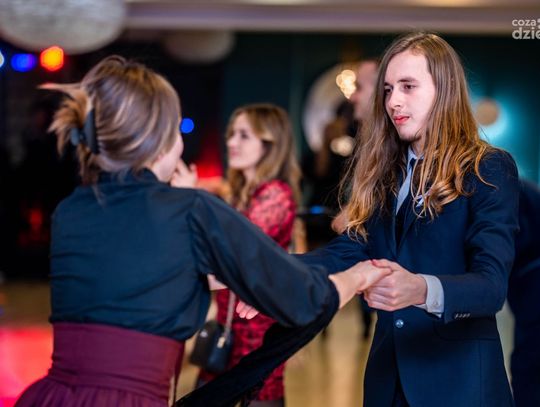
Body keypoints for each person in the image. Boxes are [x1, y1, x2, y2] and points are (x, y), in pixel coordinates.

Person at [14, 56, 390, 407]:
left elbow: (144, 281)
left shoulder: (71, 210)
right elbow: (304, 299)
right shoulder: (190, 210)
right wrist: (359, 275)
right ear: (159, 140)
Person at [297, 32, 519, 406]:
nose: (392, 101)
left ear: (444, 90)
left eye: (408, 86)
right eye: (387, 89)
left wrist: (420, 289)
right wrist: (267, 273)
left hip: (459, 385)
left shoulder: (488, 168)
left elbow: (491, 286)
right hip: (387, 383)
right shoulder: (385, 173)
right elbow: (347, 250)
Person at [196, 103, 301, 406]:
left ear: (270, 144)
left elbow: (233, 259)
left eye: (243, 135)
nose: (231, 142)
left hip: (257, 334)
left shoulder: (275, 196)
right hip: (229, 328)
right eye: (231, 134)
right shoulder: (246, 192)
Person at [507, 179, 540, 407]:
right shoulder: (521, 189)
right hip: (528, 280)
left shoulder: (508, 190)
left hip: (532, 282)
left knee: (529, 364)